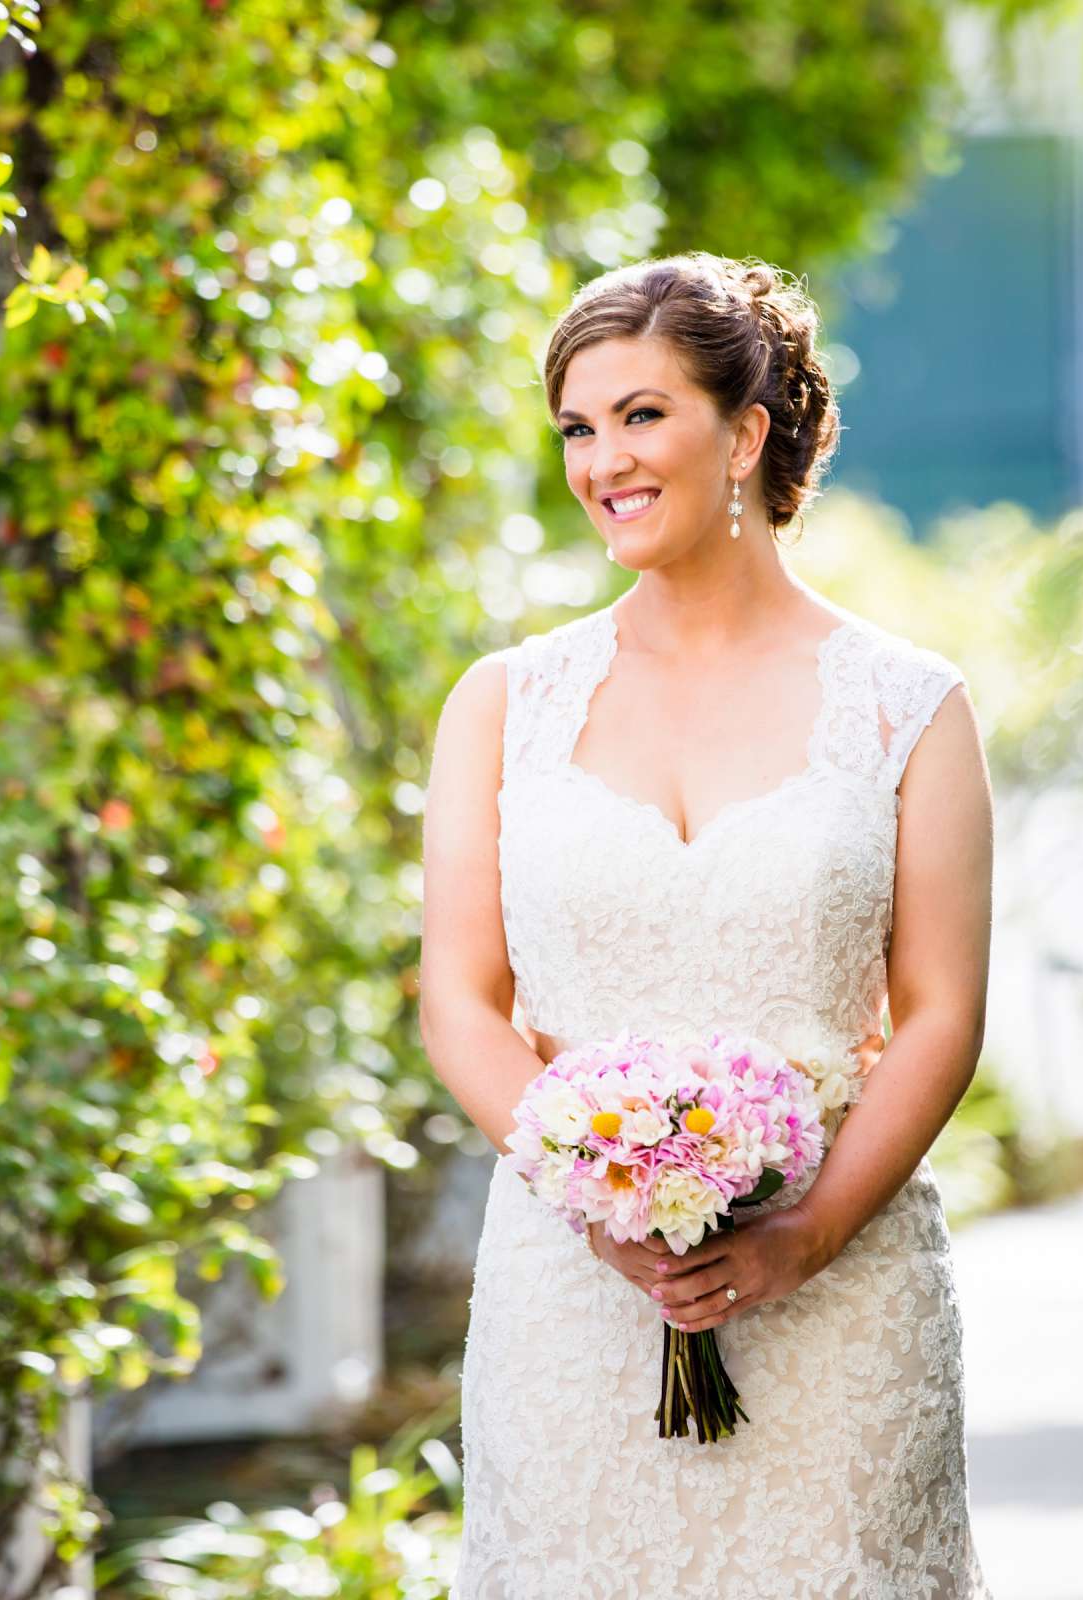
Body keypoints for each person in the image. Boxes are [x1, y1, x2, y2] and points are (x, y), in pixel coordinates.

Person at [418, 251, 996, 1598]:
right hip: (571, 1305)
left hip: (842, 1299)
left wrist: (801, 1238)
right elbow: (459, 998)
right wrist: (595, 1200)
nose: (600, 459)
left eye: (640, 414)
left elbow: (943, 1012)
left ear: (746, 433)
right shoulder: (504, 705)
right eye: (576, 425)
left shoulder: (908, 707)